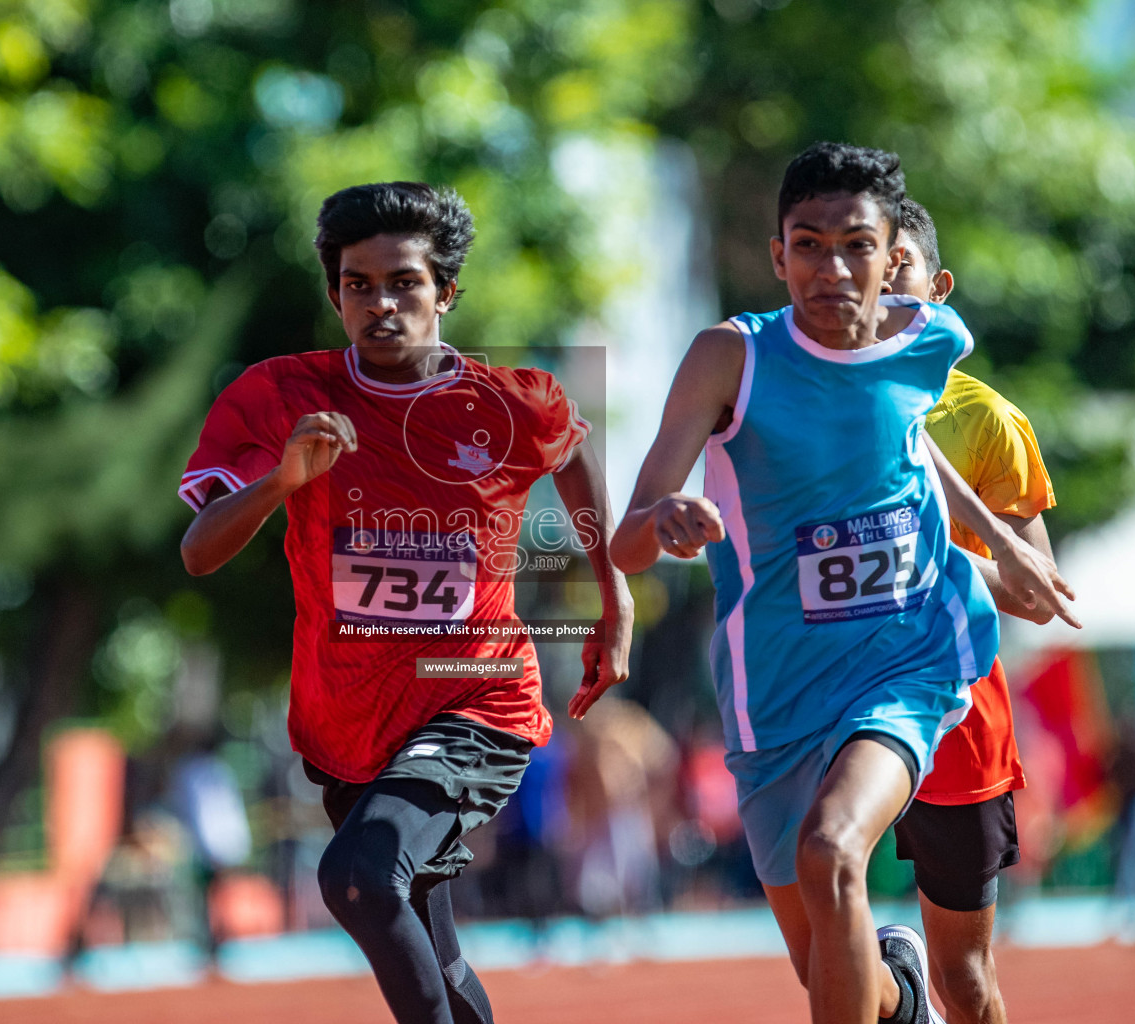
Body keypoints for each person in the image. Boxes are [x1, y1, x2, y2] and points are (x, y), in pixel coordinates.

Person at [610, 142, 1077, 1024]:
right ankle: (899, 996)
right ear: (777, 253)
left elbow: (905, 430)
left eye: (856, 245)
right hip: (775, 690)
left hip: (908, 664)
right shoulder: (728, 359)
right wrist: (663, 520)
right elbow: (629, 542)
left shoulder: (930, 343)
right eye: (809, 244)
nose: (833, 268)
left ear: (893, 256)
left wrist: (996, 548)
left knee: (835, 852)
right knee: (830, 962)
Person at [178, 181, 634, 1024]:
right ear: (334, 294)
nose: (380, 304)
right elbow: (200, 551)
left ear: (446, 293)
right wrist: (282, 480)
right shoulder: (281, 398)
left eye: (405, 283)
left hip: (477, 696)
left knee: (359, 874)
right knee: (427, 936)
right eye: (358, 285)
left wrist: (615, 600)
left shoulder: (513, 404)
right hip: (349, 718)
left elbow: (573, 454)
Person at [883, 198, 1058, 1024]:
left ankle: (919, 993)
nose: (875, 277)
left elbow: (1038, 594)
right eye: (854, 257)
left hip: (957, 712)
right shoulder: (789, 394)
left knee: (965, 981)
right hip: (827, 695)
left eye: (898, 262)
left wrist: (928, 568)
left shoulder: (986, 420)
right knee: (822, 911)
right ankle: (897, 993)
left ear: (937, 283)